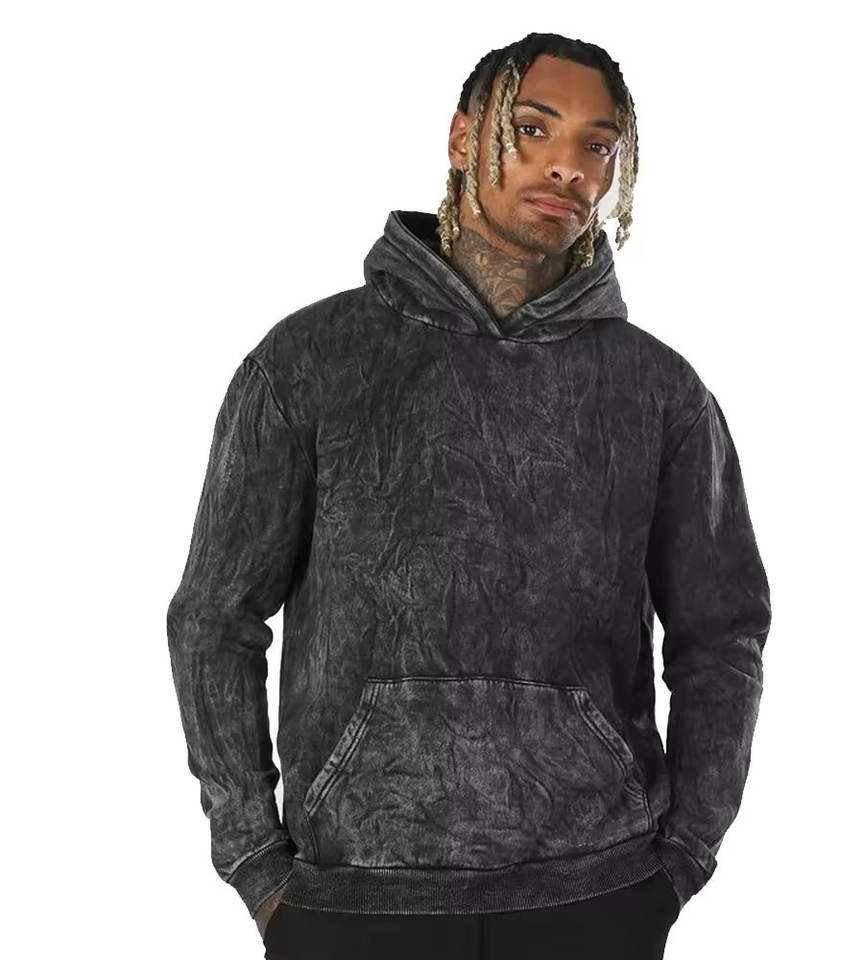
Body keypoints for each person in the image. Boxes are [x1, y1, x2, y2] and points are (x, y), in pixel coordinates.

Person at [166, 31, 772, 960]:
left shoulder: (658, 391)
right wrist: (255, 860)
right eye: (533, 128)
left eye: (598, 144)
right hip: (354, 898)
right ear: (462, 138)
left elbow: (722, 633)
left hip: (596, 888)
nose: (568, 165)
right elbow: (214, 618)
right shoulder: (309, 362)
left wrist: (685, 855)